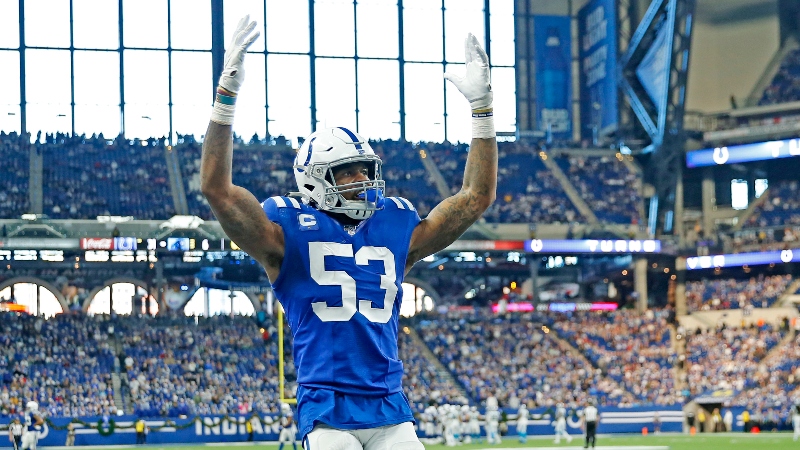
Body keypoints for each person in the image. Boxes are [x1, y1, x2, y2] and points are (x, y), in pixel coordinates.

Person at [201, 14, 497, 450]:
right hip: (326, 407)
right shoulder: (286, 231)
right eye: (347, 171)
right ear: (314, 180)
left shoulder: (394, 224)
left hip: (389, 405)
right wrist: (226, 96)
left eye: (365, 168)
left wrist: (483, 112)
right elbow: (217, 190)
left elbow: (476, 196)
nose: (361, 178)